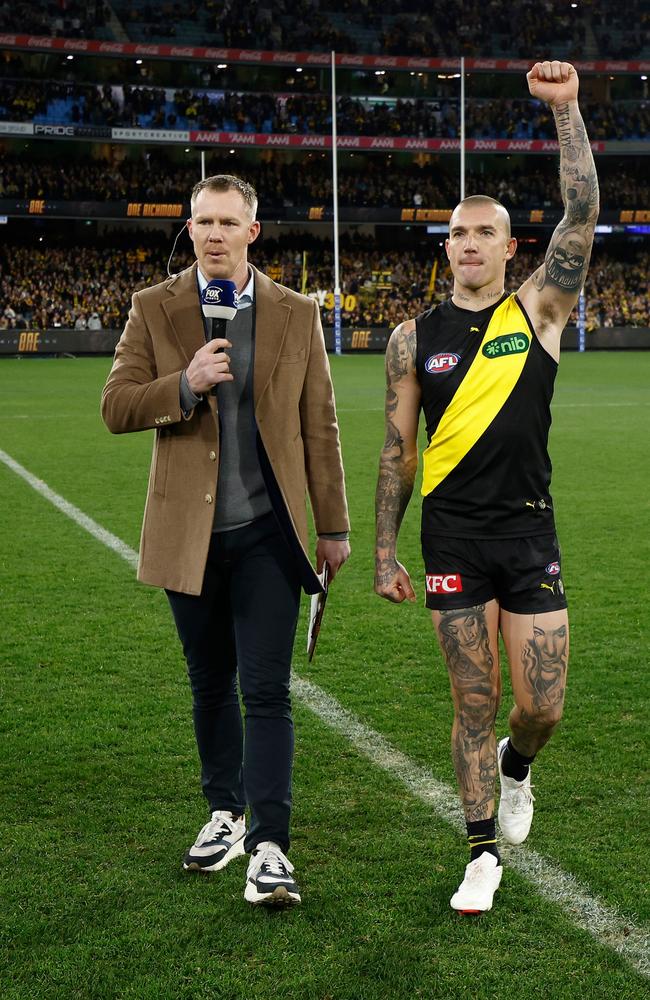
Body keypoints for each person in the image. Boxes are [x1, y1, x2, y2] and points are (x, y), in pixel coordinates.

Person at [374, 62, 598, 914]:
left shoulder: (538, 312)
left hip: (528, 533)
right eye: (457, 234)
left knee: (539, 709)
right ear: (447, 249)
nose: (468, 244)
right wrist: (386, 548)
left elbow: (582, 210)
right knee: (474, 698)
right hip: (452, 538)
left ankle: (519, 766)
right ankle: (478, 854)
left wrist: (567, 110)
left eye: (484, 233)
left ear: (510, 247)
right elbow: (397, 450)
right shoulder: (411, 339)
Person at [102, 174, 350, 907]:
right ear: (189, 229)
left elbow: (320, 427)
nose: (212, 234)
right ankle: (224, 814)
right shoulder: (154, 307)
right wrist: (183, 384)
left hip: (269, 535)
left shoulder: (297, 312)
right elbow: (116, 405)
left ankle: (270, 847)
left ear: (253, 231)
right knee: (209, 685)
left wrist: (333, 528)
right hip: (189, 536)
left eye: (225, 222)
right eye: (201, 222)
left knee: (266, 691)